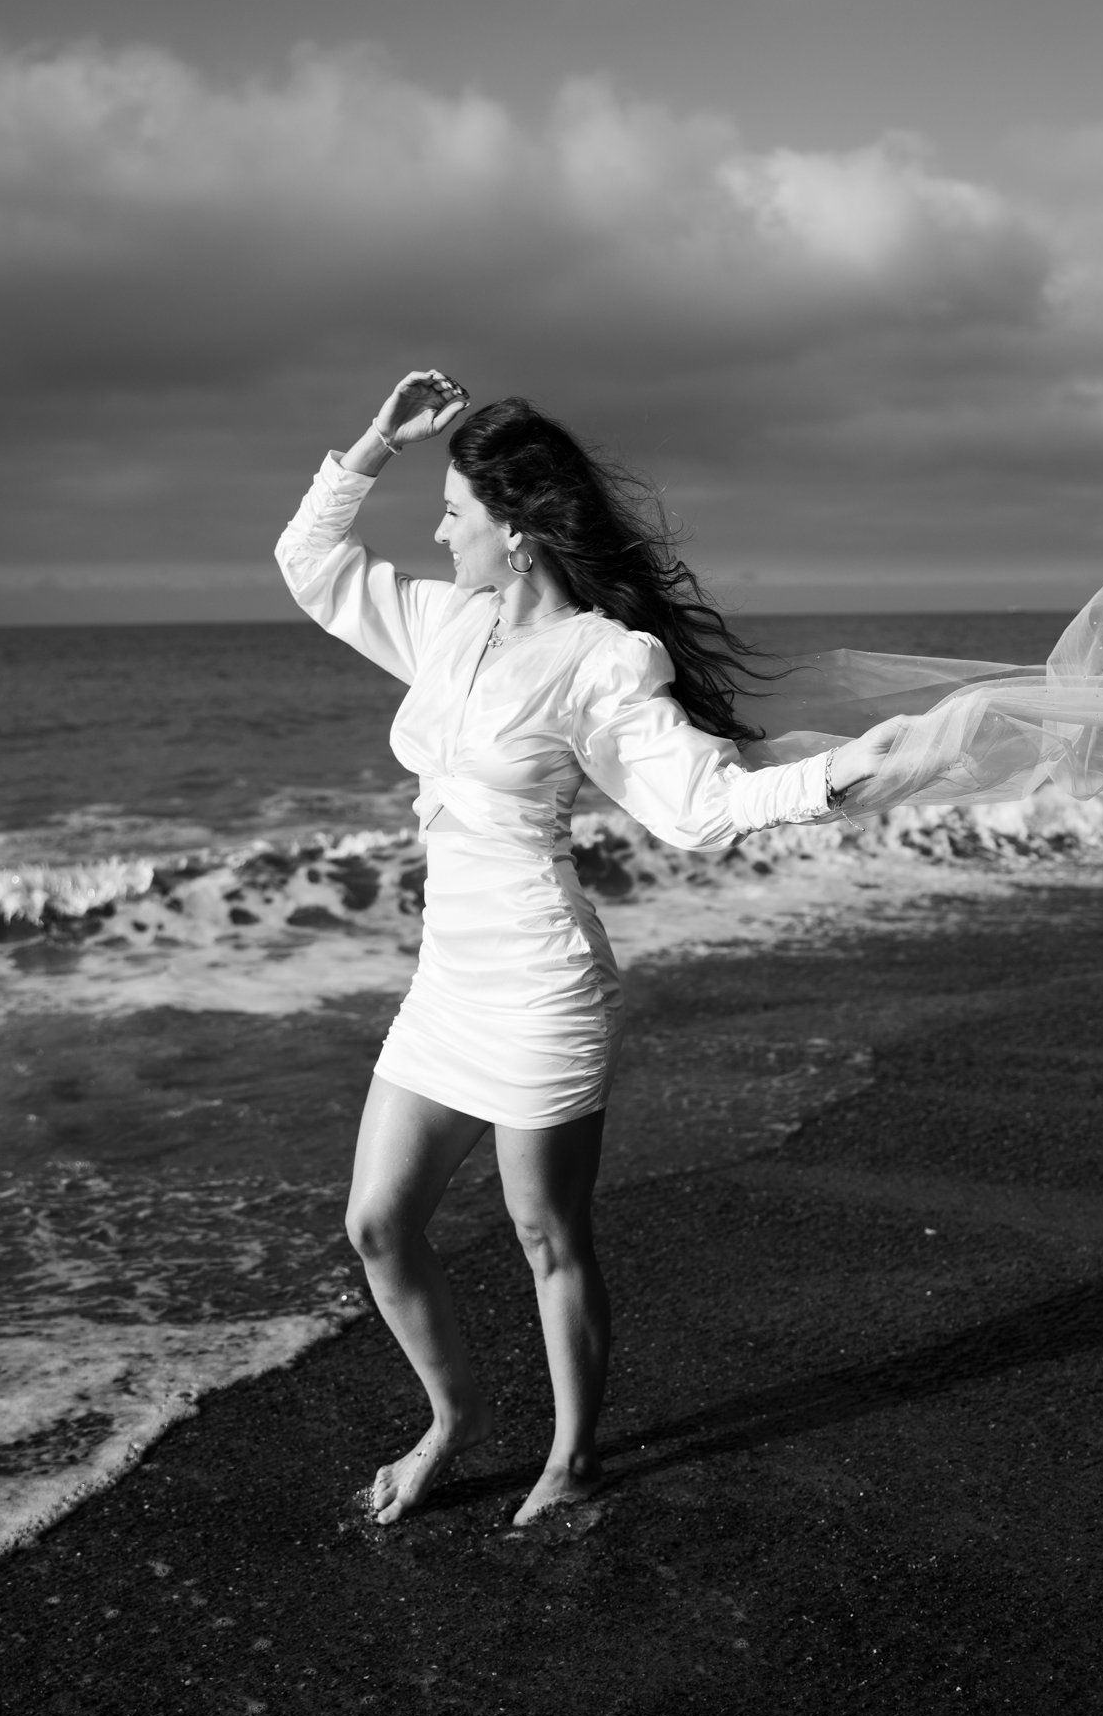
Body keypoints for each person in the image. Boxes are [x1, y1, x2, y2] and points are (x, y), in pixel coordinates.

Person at [276, 369, 903, 1527]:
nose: (437, 527)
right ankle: (451, 1418)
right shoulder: (445, 621)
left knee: (544, 1232)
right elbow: (310, 567)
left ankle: (570, 1458)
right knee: (375, 1220)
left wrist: (845, 775)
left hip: (542, 980)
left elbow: (699, 804)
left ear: (515, 533)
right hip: (447, 983)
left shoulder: (603, 660)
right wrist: (374, 442)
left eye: (455, 510)